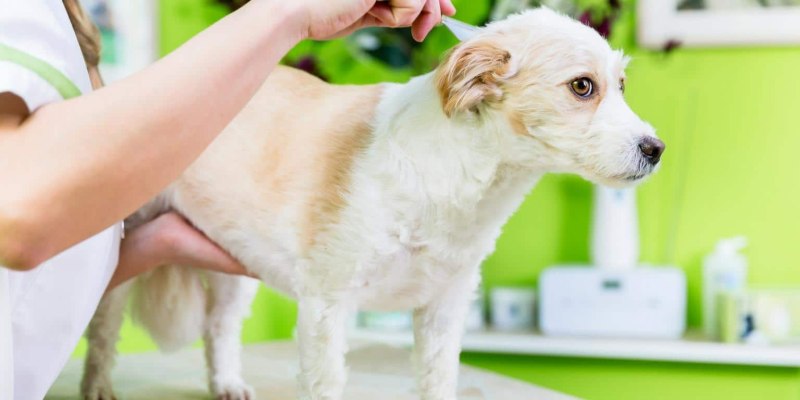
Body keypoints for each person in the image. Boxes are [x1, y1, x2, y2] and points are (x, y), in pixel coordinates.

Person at [0, 0, 456, 398]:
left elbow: (51, 265)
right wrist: (286, 11)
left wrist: (162, 242)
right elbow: (18, 219)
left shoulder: (67, 29)